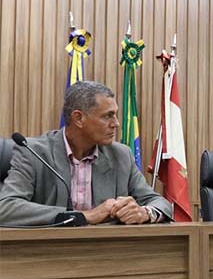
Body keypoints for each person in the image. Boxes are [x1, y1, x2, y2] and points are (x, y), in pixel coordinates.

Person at [0, 81, 173, 226]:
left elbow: (160, 203)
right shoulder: (33, 152)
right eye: (107, 116)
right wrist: (84, 216)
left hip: (106, 250)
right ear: (78, 118)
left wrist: (145, 212)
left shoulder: (121, 155)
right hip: (48, 251)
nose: (116, 123)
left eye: (115, 115)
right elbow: (6, 208)